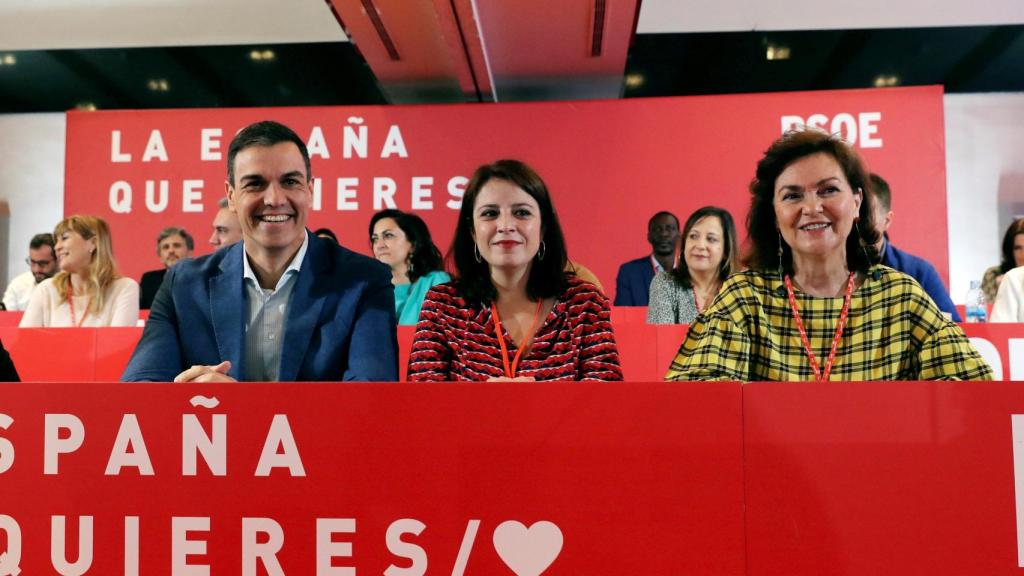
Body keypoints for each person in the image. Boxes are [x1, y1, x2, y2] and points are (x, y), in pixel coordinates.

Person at [666, 129, 991, 381]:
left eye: (828, 190)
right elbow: (696, 392)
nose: (811, 208)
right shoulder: (746, 297)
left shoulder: (899, 297)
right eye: (792, 195)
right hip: (773, 467)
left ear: (857, 201)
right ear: (775, 214)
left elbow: (973, 387)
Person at [122, 120, 398, 382]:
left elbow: (370, 397)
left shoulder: (364, 280)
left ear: (310, 191)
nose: (275, 199)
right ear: (231, 196)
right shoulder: (183, 284)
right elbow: (140, 387)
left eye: (290, 182)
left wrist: (239, 404)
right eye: (255, 183)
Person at [407, 159, 622, 382]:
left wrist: (538, 406)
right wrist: (483, 406)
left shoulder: (584, 303)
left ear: (543, 227)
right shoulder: (442, 306)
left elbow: (606, 405)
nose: (506, 225)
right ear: (472, 230)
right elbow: (421, 406)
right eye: (490, 213)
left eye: (521, 212)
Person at [870, 173, 961, 321]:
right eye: (851, 212)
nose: (856, 222)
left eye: (866, 215)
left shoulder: (918, 272)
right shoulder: (826, 272)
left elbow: (953, 332)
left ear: (887, 221)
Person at [20, 215, 140, 327]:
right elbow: (24, 343)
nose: (57, 247)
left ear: (93, 243)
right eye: (56, 241)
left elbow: (117, 344)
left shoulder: (124, 288)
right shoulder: (46, 289)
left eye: (64, 238)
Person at [647, 206, 738, 324]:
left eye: (711, 239)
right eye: (693, 236)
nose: (700, 245)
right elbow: (662, 338)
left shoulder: (740, 289)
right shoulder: (665, 282)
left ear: (726, 250)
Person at [369, 209, 451, 325]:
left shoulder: (435, 281)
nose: (379, 245)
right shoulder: (370, 288)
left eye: (388, 236)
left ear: (413, 244)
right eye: (375, 239)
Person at [614, 211, 679, 306]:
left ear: (679, 235)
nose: (664, 234)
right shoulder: (629, 272)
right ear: (649, 236)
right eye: (658, 229)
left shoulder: (694, 273)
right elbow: (623, 316)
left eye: (669, 229)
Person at [138, 227, 194, 310]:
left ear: (189, 252)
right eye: (166, 247)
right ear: (160, 256)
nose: (171, 250)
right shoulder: (149, 280)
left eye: (176, 245)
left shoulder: (203, 278)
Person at [3, 233, 57, 311]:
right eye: (33, 262)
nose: (36, 269)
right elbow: (5, 317)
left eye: (43, 264)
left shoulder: (71, 285)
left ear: (58, 260)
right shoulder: (18, 285)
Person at [981, 219, 1024, 303]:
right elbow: (987, 313)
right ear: (1010, 251)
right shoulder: (993, 275)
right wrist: (1001, 290)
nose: (1023, 255)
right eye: (1018, 248)